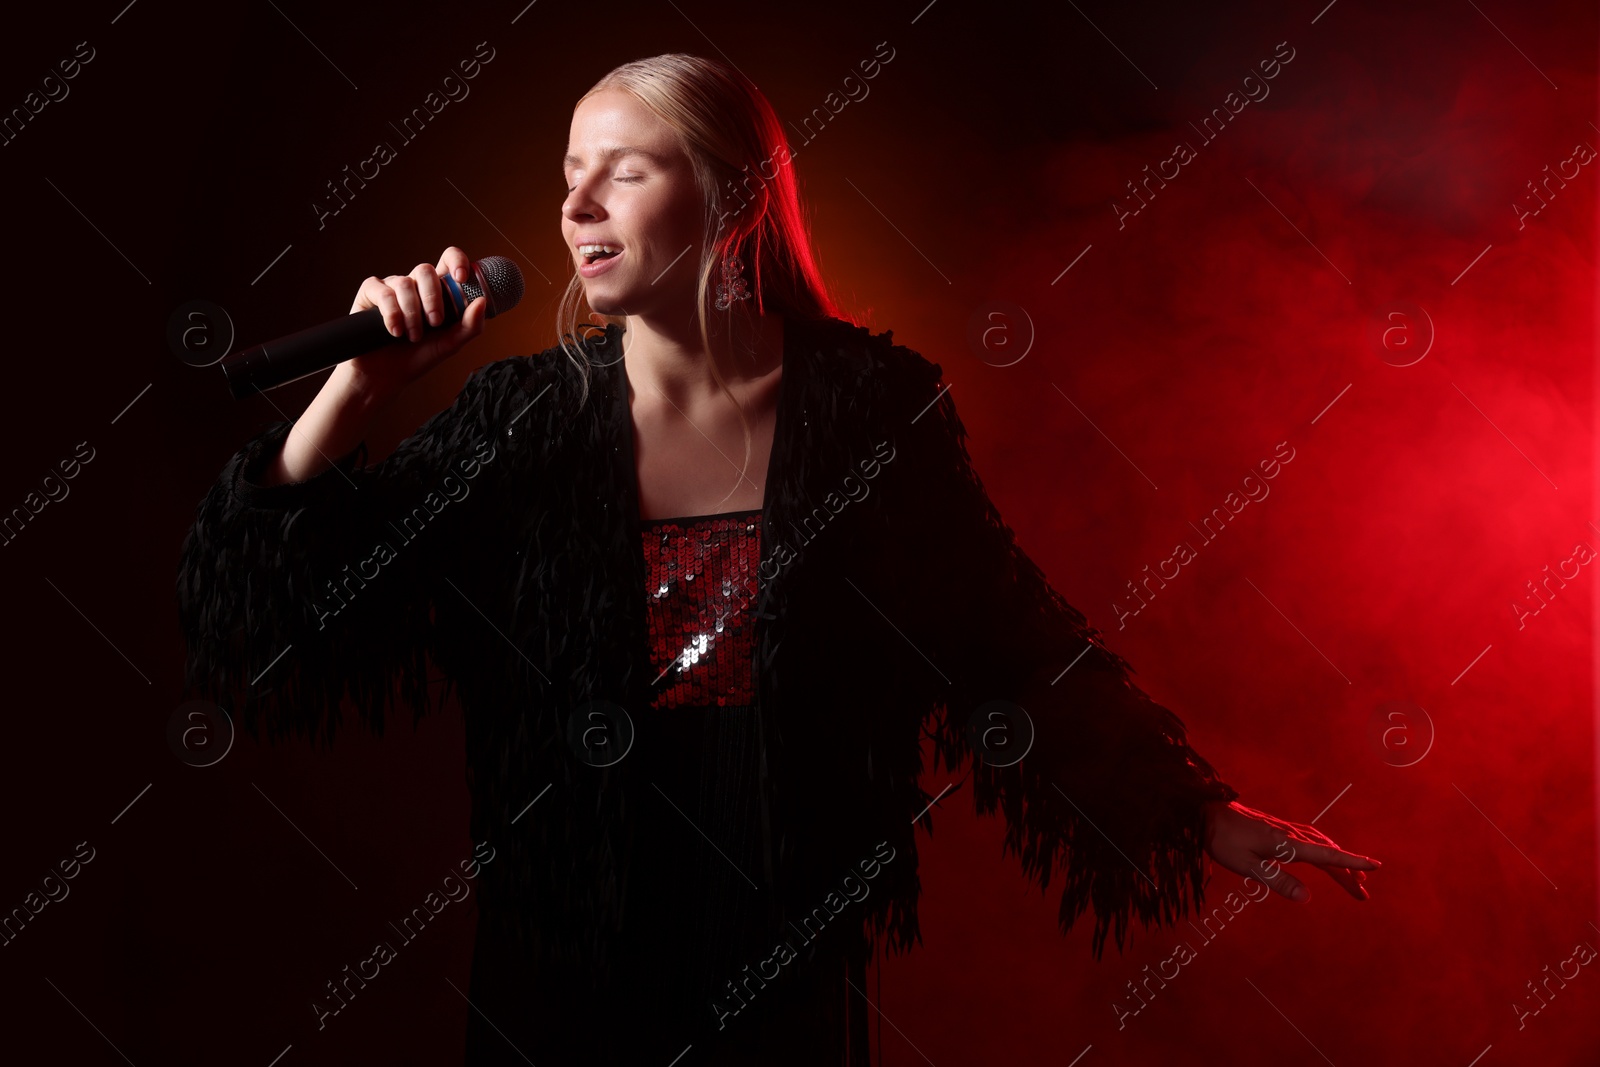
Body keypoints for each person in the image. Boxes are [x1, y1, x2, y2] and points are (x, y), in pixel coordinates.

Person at [176, 53, 1381, 1066]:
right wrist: (356, 387)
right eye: (567, 178)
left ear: (731, 192)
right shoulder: (517, 423)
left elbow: (1007, 642)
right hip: (564, 973)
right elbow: (285, 626)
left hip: (782, 968)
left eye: (623, 171)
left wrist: (1188, 811)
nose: (577, 206)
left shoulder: (871, 408)